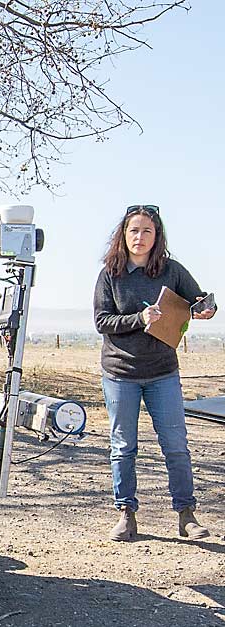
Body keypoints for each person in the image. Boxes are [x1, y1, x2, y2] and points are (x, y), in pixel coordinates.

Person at [93, 204, 214, 542]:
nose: (140, 237)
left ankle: (186, 515)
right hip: (120, 374)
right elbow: (102, 322)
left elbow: (199, 300)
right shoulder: (110, 275)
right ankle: (126, 515)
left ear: (157, 235)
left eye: (147, 231)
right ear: (124, 234)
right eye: (134, 230)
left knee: (176, 445)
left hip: (163, 373)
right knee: (123, 446)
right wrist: (140, 319)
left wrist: (206, 309)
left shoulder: (172, 270)